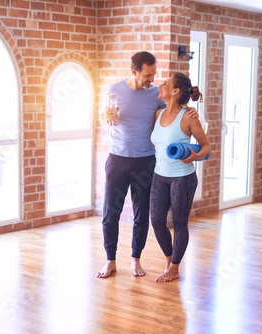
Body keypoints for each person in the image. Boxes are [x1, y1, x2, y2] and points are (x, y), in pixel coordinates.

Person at [97, 52, 197, 279]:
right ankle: (110, 260)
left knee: (142, 214)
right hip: (117, 159)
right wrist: (104, 117)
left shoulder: (154, 94)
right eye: (148, 75)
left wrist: (191, 110)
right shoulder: (113, 90)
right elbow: (106, 116)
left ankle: (136, 259)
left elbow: (177, 103)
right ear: (134, 71)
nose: (152, 80)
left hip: (145, 161)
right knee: (110, 212)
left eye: (154, 75)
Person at [150, 72, 211, 282]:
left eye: (165, 83)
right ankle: (169, 260)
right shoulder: (158, 115)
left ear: (175, 91)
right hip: (160, 176)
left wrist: (194, 156)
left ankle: (175, 267)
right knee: (157, 222)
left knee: (179, 222)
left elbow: (206, 146)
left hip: (182, 178)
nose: (161, 84)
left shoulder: (188, 117)